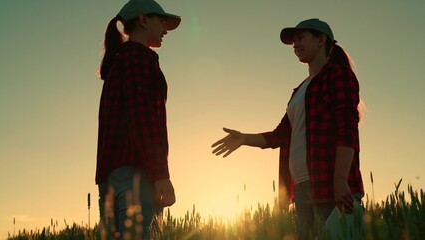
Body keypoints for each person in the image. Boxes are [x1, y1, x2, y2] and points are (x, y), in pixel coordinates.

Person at [212, 18, 364, 239]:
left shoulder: (337, 75)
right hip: (301, 186)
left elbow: (347, 127)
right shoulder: (299, 91)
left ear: (321, 40)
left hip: (328, 182)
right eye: (293, 41)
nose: (295, 44)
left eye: (300, 38)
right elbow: (280, 136)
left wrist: (340, 179)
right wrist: (243, 138)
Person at [95, 0, 181, 238]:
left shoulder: (119, 61)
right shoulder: (137, 56)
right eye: (161, 21)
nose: (165, 29)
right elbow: (143, 119)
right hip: (136, 177)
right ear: (143, 20)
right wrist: (160, 173)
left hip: (112, 178)